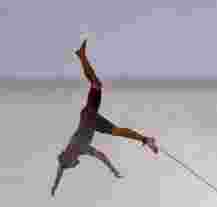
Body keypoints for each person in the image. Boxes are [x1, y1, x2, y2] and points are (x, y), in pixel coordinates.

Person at [52, 40, 159, 197]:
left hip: (89, 117)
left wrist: (112, 169)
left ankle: (81, 56)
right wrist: (113, 170)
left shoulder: (77, 150)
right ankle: (145, 139)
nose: (77, 162)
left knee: (96, 85)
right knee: (117, 129)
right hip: (91, 120)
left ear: (71, 158)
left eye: (75, 163)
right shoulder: (77, 152)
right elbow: (63, 169)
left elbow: (64, 166)